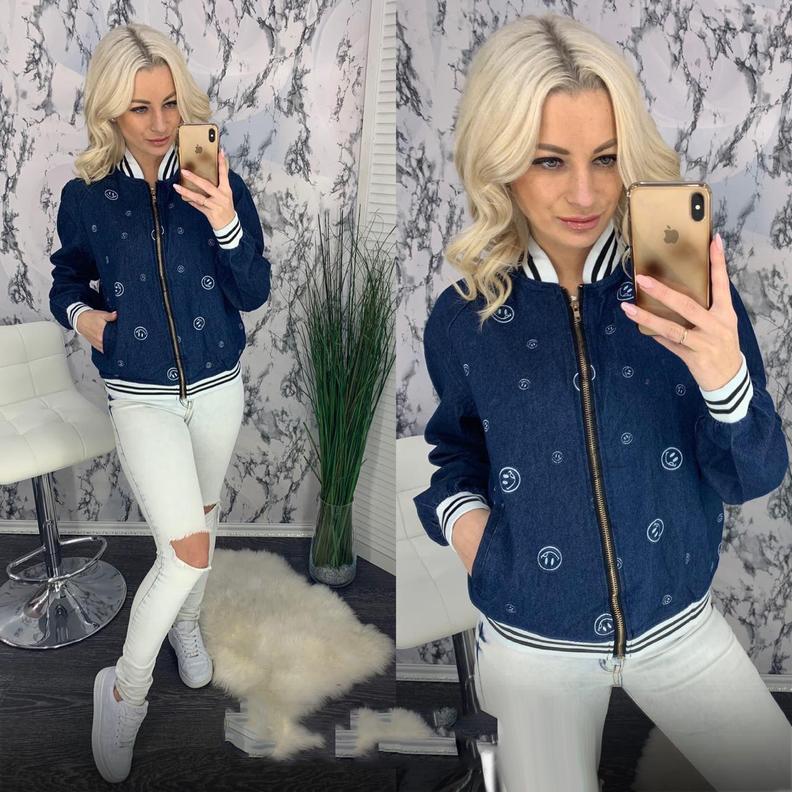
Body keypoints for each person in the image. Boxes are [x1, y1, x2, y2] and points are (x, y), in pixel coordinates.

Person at [413, 14, 791, 792]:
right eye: (549, 160)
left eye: (607, 158)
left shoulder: (686, 291)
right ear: (502, 162)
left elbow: (753, 475)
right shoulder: (464, 317)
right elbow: (455, 452)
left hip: (678, 625)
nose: (584, 193)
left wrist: (723, 377)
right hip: (533, 641)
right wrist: (474, 535)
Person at [48, 23, 271, 785]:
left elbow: (254, 290)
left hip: (217, 387)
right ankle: (123, 690)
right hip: (140, 394)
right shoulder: (87, 197)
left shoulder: (215, 183)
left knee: (202, 522)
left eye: (170, 103)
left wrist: (225, 220)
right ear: (111, 110)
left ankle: (187, 624)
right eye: (140, 107)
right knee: (186, 551)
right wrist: (83, 318)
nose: (159, 123)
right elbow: (67, 279)